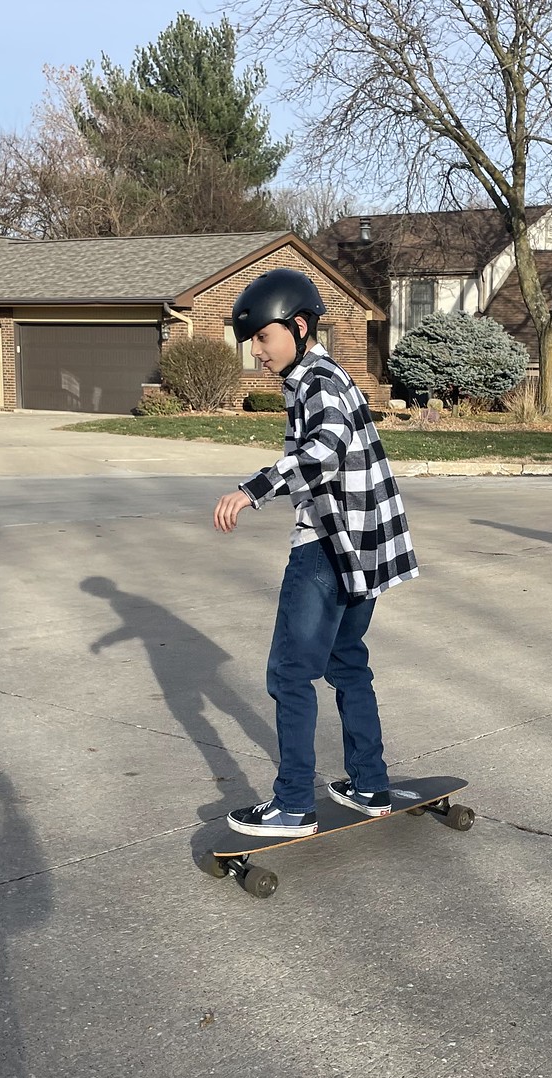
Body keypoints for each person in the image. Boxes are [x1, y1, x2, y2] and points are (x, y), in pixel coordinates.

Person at [212, 268, 418, 837]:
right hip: (365, 549)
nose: (256, 351)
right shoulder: (326, 377)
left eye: (263, 337)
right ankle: (370, 784)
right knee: (346, 661)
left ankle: (293, 804)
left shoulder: (317, 380)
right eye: (252, 341)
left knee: (289, 674)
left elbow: (323, 450)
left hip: (327, 547)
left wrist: (252, 490)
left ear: (299, 327)